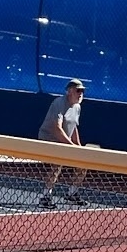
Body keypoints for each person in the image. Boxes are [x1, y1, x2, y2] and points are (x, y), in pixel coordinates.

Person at [38, 79, 88, 209]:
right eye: (78, 91)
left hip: (64, 141)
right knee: (58, 163)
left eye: (82, 91)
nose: (81, 93)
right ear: (70, 91)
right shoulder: (59, 103)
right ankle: (45, 197)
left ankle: (72, 193)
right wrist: (71, 146)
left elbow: (74, 127)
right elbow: (57, 128)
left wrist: (78, 146)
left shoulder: (77, 107)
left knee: (84, 162)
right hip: (48, 138)